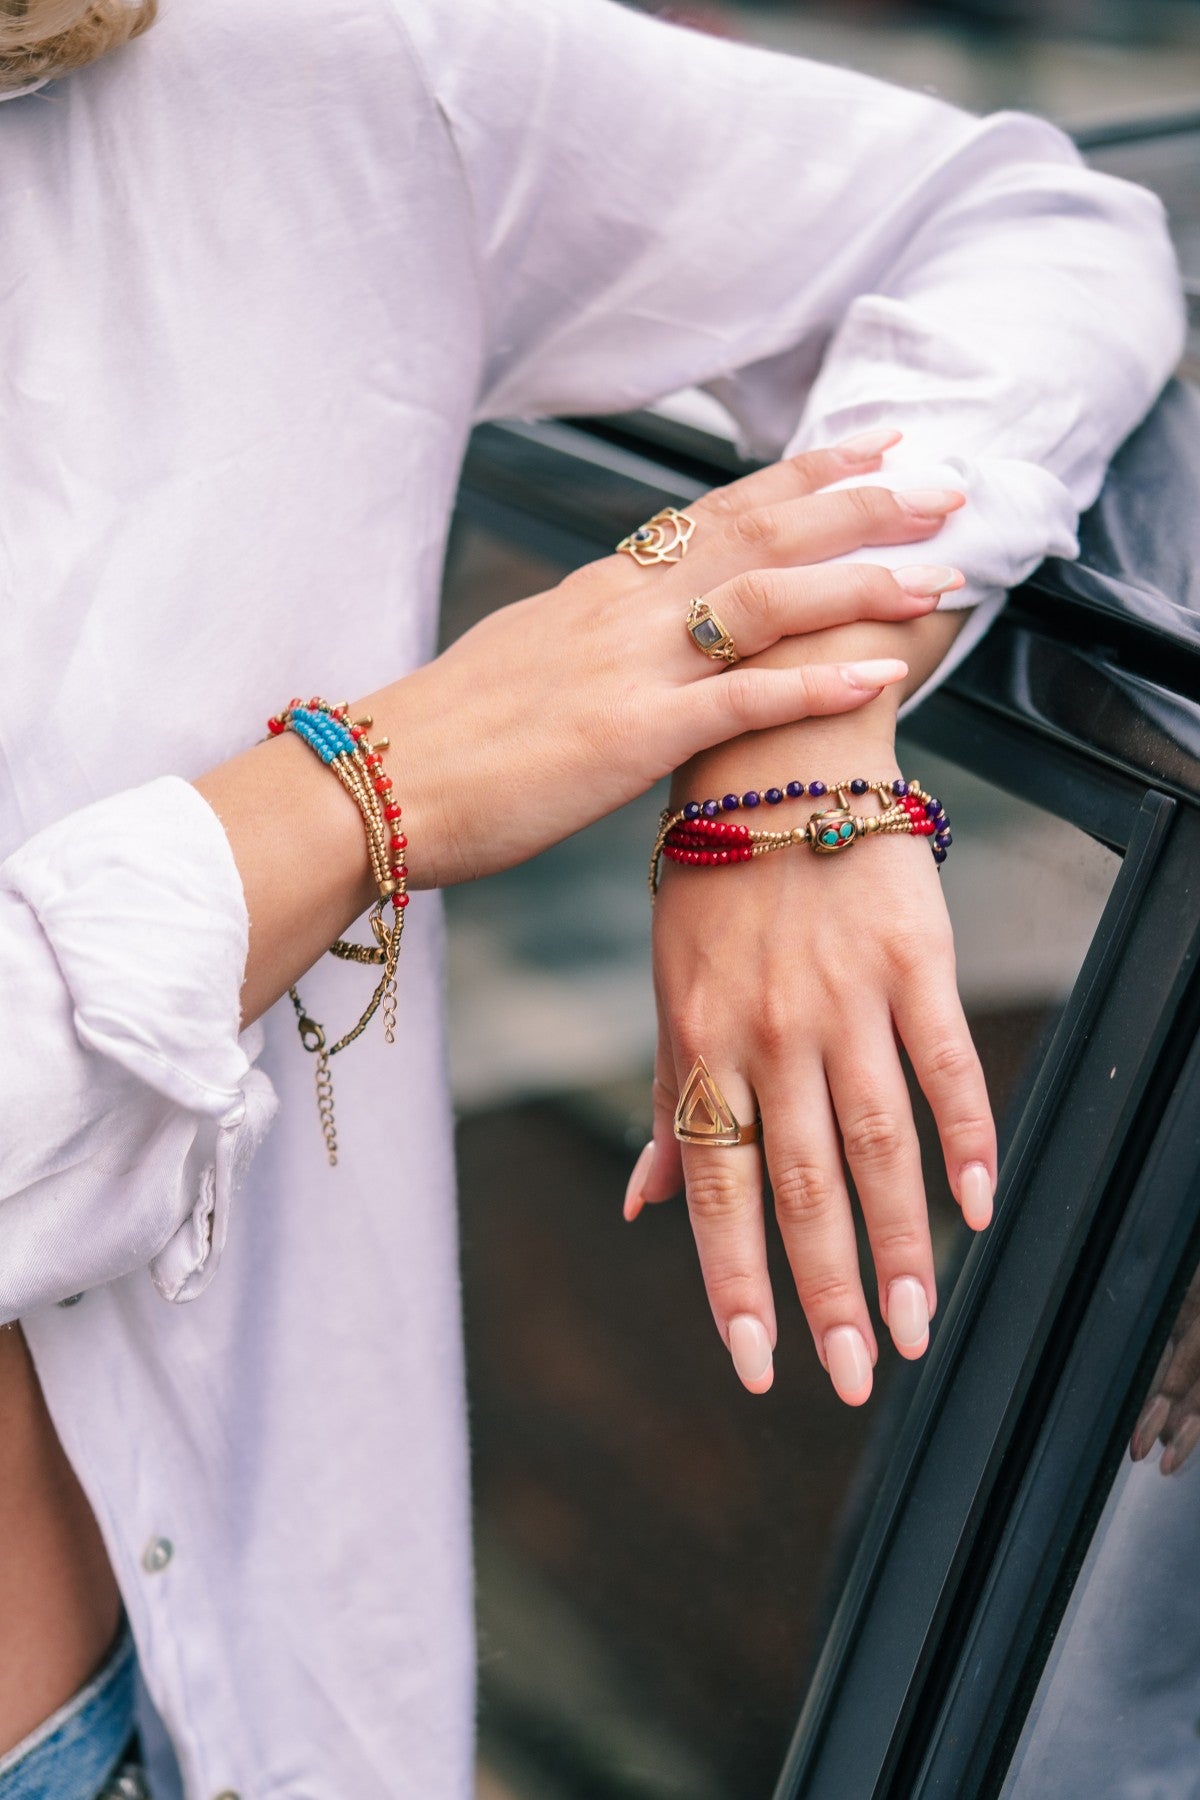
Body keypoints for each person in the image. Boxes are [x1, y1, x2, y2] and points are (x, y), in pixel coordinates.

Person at [0, 0, 1183, 1793]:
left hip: (180, 1708)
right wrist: (359, 795)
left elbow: (1019, 227)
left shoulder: (277, 77)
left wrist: (785, 742)